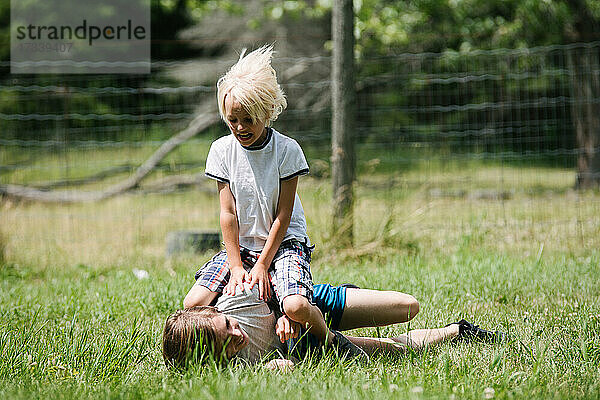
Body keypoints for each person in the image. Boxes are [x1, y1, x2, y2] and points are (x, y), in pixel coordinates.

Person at [183, 45, 351, 352]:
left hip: (284, 243)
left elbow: (283, 216)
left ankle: (328, 341)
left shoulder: (286, 151)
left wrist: (262, 265)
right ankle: (230, 336)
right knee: (193, 302)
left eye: (248, 119)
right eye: (232, 120)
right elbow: (228, 214)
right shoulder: (221, 151)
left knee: (297, 305)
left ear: (267, 112)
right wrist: (236, 267)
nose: (240, 128)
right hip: (242, 246)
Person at [164, 283, 505, 370]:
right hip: (306, 341)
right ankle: (459, 331)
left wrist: (285, 306)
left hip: (309, 301)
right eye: (229, 340)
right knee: (392, 350)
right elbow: (280, 368)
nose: (237, 332)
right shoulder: (232, 369)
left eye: (229, 326)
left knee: (408, 307)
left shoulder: (232, 299)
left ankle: (339, 317)